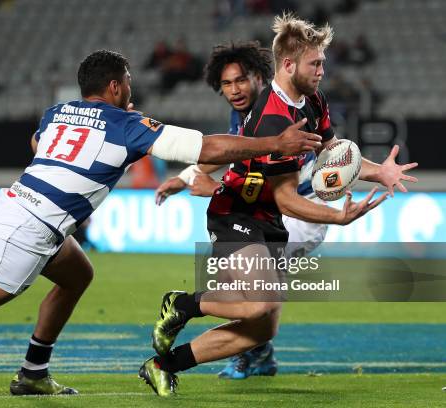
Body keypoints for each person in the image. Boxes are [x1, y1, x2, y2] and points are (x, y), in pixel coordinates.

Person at [0, 49, 322, 396]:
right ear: (115, 86)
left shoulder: (56, 112)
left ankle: (33, 373)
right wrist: (273, 146)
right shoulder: (127, 123)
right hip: (28, 228)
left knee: (78, 274)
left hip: (38, 219)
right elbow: (208, 148)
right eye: (127, 81)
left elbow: (37, 143)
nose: (131, 89)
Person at [140, 13, 418, 397]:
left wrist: (378, 172)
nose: (323, 69)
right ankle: (183, 303)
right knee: (257, 303)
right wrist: (337, 218)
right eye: (316, 63)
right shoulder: (273, 118)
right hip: (237, 214)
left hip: (267, 219)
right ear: (289, 65)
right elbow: (287, 198)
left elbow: (332, 153)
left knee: (262, 327)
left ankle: (163, 365)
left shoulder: (312, 100)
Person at [156, 41, 281, 380]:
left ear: (258, 76)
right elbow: (229, 154)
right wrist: (188, 179)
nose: (234, 90)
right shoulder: (244, 116)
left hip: (277, 215)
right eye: (226, 84)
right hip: (247, 215)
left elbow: (258, 167)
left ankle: (170, 351)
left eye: (240, 80)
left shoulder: (273, 113)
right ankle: (186, 310)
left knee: (256, 314)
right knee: (256, 307)